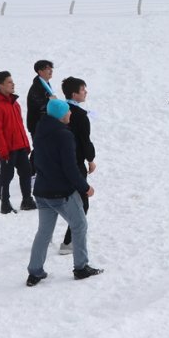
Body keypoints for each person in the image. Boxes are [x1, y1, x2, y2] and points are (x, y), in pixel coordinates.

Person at [26, 99, 102, 286]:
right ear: (60, 115)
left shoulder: (40, 130)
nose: (70, 114)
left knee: (43, 232)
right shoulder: (64, 135)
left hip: (42, 191)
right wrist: (85, 188)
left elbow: (35, 160)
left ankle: (34, 272)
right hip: (62, 192)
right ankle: (81, 268)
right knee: (80, 225)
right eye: (68, 112)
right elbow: (70, 168)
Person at [0, 71, 36, 213]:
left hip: (20, 146)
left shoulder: (15, 104)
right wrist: (3, 150)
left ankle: (27, 200)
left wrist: (26, 144)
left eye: (12, 81)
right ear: (0, 85)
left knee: (26, 172)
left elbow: (20, 126)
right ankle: (5, 203)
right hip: (7, 149)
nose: (13, 84)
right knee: (7, 176)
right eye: (9, 82)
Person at [58, 76, 96, 255]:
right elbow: (85, 141)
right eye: (83, 90)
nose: (86, 92)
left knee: (53, 205)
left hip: (56, 163)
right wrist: (91, 159)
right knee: (82, 203)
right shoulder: (80, 115)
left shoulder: (56, 110)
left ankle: (49, 236)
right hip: (75, 164)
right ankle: (68, 242)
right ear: (75, 94)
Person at [26, 60, 55, 137]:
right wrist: (51, 100)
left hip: (45, 125)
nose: (51, 70)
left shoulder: (45, 84)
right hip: (38, 126)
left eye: (51, 68)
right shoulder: (36, 87)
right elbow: (42, 104)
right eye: (48, 68)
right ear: (40, 72)